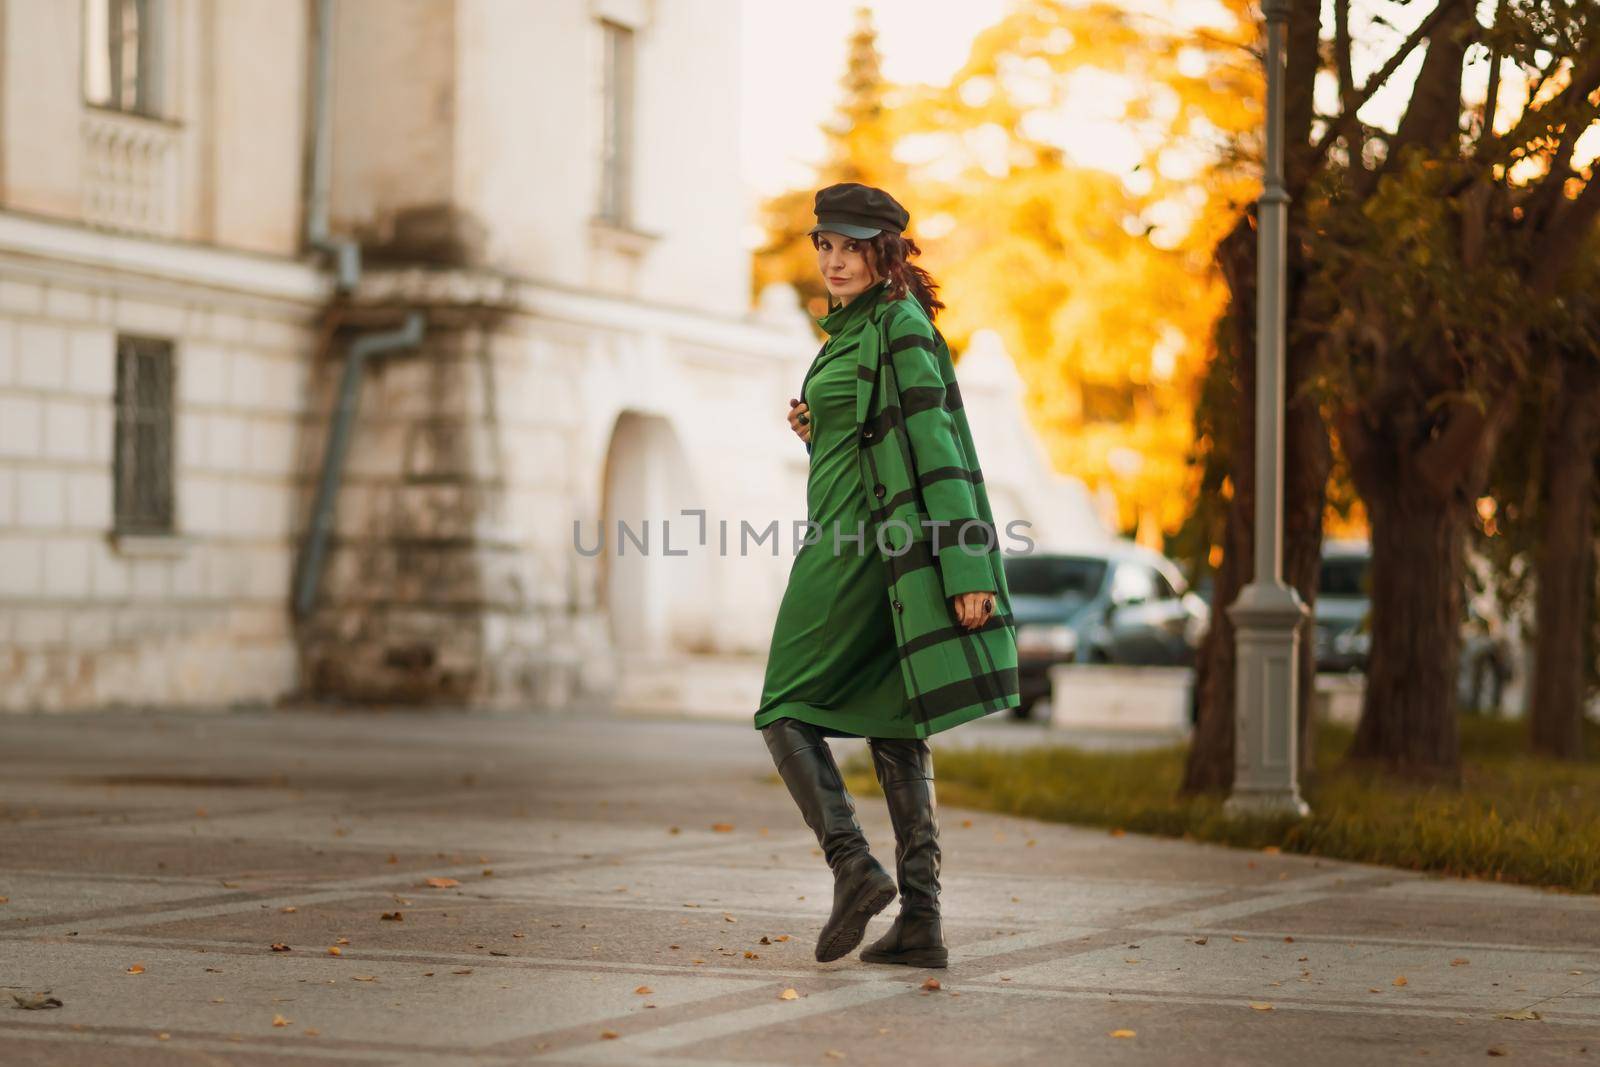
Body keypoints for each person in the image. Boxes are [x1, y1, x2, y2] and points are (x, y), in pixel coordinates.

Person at [753, 182, 1021, 970]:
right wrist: (817, 427)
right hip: (857, 538)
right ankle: (922, 920)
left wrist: (969, 566)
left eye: (851, 245)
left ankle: (852, 866)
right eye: (825, 245)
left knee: (783, 705)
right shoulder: (851, 331)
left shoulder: (898, 324)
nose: (835, 260)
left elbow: (939, 446)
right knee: (897, 721)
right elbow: (874, 439)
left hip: (859, 548)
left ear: (885, 250)